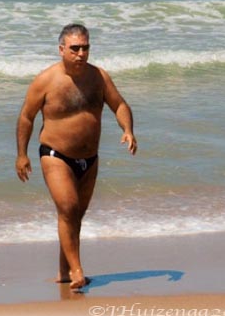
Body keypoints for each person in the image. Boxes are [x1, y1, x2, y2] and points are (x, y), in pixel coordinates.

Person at [15, 23, 137, 290]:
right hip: (55, 155)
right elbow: (26, 117)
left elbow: (119, 105)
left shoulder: (99, 77)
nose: (81, 53)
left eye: (85, 48)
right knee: (68, 209)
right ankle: (78, 270)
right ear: (61, 50)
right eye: (75, 48)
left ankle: (64, 273)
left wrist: (127, 129)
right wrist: (21, 155)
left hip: (89, 159)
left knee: (74, 216)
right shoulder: (46, 80)